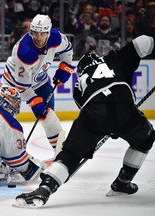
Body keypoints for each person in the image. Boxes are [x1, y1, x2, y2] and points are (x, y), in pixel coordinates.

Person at [14, 34, 155, 207]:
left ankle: (44, 189)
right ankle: (122, 182)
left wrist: (108, 126)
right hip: (123, 107)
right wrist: (118, 125)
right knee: (146, 139)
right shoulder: (113, 59)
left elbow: (95, 111)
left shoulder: (78, 85)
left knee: (70, 155)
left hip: (91, 113)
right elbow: (143, 42)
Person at [0, 14, 75, 154]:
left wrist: (65, 66)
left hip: (39, 81)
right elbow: (22, 85)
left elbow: (67, 50)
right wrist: (33, 100)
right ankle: (2, 153)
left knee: (48, 115)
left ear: (48, 32)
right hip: (12, 83)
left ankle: (62, 153)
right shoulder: (25, 51)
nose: (38, 37)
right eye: (35, 33)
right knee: (4, 118)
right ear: (31, 31)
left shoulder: (56, 37)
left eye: (42, 33)